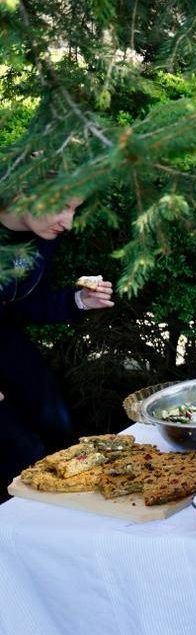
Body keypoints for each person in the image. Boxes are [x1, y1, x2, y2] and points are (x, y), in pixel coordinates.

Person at [0, 198, 114, 485]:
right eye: (61, 205)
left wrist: (78, 301)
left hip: (5, 337)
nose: (69, 222)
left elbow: (22, 302)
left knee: (56, 423)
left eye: (74, 209)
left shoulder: (41, 234)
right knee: (19, 449)